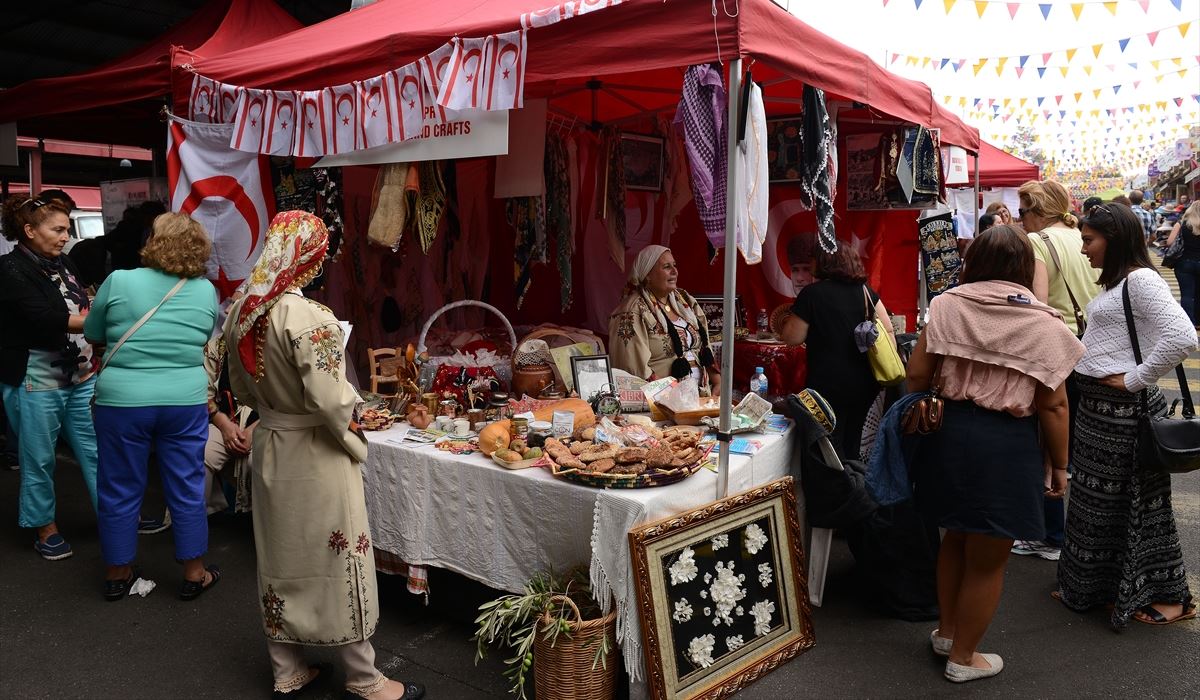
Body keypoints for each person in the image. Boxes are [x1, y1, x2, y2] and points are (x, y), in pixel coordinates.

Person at [224, 211, 424, 700]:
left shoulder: (241, 311)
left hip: (271, 444)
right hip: (315, 451)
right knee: (341, 558)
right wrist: (358, 429)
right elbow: (332, 400)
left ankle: (286, 667)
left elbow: (226, 376)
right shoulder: (310, 317)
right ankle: (364, 677)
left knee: (280, 560)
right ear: (310, 259)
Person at [907, 225, 1082, 683]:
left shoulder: (946, 305)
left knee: (955, 538)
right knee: (989, 555)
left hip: (946, 433)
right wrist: (1060, 465)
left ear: (973, 261)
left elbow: (916, 374)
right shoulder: (1043, 324)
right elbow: (1055, 404)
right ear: (1026, 268)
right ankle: (964, 657)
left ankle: (946, 633)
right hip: (1006, 442)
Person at [1059, 202, 1197, 628]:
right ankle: (1097, 587)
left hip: (1125, 416)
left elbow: (1182, 335)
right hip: (1100, 415)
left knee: (1139, 506)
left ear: (1113, 238)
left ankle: (1170, 597)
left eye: (1088, 240)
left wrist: (1136, 378)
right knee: (1099, 506)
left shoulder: (1139, 280)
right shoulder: (1120, 283)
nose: (1084, 249)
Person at [84, 212, 220, 601]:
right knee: (186, 485)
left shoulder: (120, 280)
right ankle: (195, 572)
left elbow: (93, 332)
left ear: (153, 242)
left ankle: (117, 573)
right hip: (184, 400)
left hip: (122, 401)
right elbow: (205, 338)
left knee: (119, 486)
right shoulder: (204, 291)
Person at [0, 195, 100, 560]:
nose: (65, 236)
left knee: (96, 450)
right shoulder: (10, 269)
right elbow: (43, 317)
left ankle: (116, 515)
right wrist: (102, 317)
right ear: (29, 230)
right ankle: (45, 527)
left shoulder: (63, 262)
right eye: (58, 229)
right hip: (36, 379)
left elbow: (80, 298)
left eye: (67, 229)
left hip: (80, 374)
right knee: (39, 457)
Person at [777, 245, 896, 460]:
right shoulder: (865, 291)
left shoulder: (812, 294)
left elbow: (792, 338)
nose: (811, 264)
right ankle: (854, 485)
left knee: (828, 448)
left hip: (828, 385)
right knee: (853, 442)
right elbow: (887, 329)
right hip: (865, 383)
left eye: (813, 259)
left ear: (824, 262)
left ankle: (834, 489)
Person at [608, 244, 720, 395]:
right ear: (647, 274)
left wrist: (717, 381)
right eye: (667, 267)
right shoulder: (633, 311)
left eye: (675, 265)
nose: (675, 271)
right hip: (663, 401)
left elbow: (704, 348)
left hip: (701, 395)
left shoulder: (685, 301)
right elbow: (633, 369)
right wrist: (672, 395)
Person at [1164, 202, 1200, 329]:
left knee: (1187, 294)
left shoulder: (1181, 224)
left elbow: (1170, 242)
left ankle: (1189, 322)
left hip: (1184, 263)